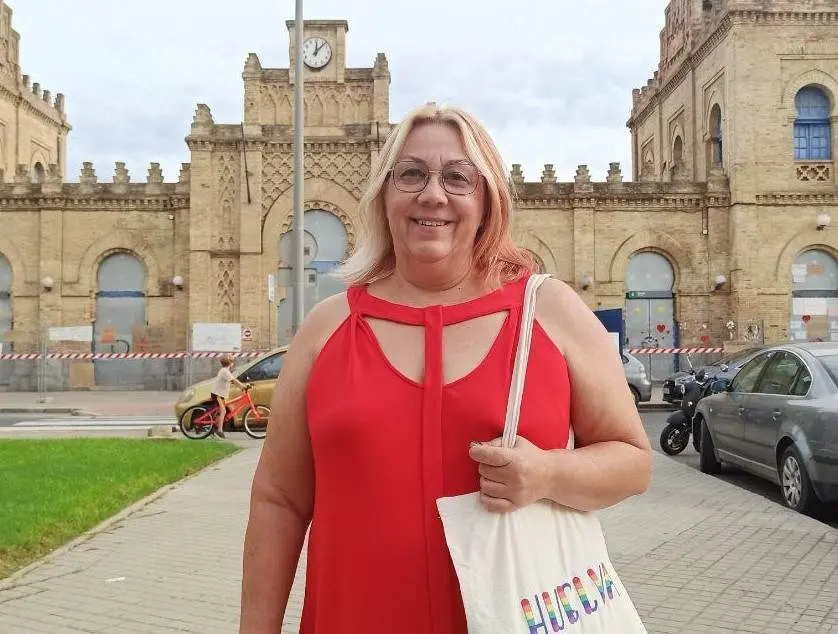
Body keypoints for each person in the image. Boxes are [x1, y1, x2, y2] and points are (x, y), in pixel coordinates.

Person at [239, 103, 652, 633]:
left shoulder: (547, 311)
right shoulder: (328, 327)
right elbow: (279, 498)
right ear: (384, 195)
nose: (432, 194)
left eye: (458, 177)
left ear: (488, 199)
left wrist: (549, 473)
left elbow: (632, 461)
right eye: (410, 174)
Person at [209, 354, 247, 439]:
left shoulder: (225, 371)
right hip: (217, 394)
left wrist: (242, 386)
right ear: (230, 363)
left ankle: (213, 430)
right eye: (232, 361)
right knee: (223, 411)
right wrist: (243, 387)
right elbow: (233, 380)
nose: (233, 363)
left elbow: (233, 381)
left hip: (220, 394)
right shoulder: (224, 371)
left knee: (219, 412)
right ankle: (219, 431)